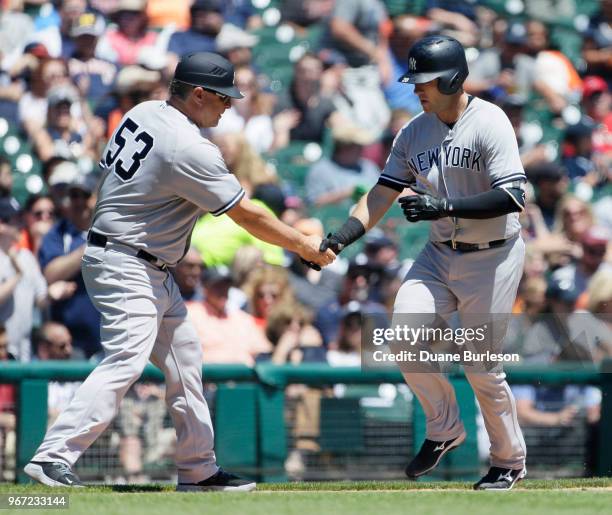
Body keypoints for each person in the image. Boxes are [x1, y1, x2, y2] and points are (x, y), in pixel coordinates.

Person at [24, 51, 335, 490]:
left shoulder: (144, 110)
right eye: (223, 97)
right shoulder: (189, 146)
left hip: (141, 261)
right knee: (127, 359)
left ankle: (198, 468)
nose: (229, 105)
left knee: (185, 358)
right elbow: (246, 215)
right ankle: (53, 456)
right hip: (127, 261)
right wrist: (304, 244)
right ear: (199, 94)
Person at [318, 35, 528, 490]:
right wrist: (340, 239)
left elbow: (514, 196)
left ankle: (508, 461)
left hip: (492, 257)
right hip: (438, 254)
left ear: (453, 78)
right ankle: (445, 428)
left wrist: (444, 207)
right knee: (402, 337)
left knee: (480, 365)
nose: (417, 89)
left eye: (425, 81)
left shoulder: (490, 121)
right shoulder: (414, 130)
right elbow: (381, 194)